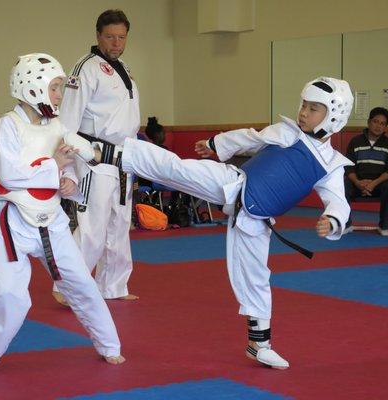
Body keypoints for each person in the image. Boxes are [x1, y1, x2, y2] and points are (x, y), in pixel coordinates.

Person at [68, 76, 354, 370]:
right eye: (304, 105)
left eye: (314, 108)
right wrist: (215, 143)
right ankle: (111, 152)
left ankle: (260, 344)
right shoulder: (287, 132)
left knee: (257, 277)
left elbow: (338, 200)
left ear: (334, 116)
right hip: (232, 182)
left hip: (256, 219)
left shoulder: (332, 165)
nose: (304, 112)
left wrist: (332, 220)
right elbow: (250, 138)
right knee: (176, 169)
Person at [0, 53, 124, 375]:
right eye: (53, 88)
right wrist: (56, 165)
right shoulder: (7, 127)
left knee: (81, 283)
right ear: (31, 87)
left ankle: (109, 345)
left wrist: (69, 179)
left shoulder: (57, 125)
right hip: (10, 220)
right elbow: (8, 175)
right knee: (9, 293)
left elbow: (76, 157)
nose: (58, 95)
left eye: (58, 88)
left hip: (50, 217)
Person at [56, 9, 140, 301]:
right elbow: (66, 122)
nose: (116, 43)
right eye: (110, 37)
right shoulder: (85, 68)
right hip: (94, 154)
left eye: (121, 37)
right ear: (98, 36)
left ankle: (113, 286)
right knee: (93, 226)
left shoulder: (124, 68)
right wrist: (66, 167)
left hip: (124, 156)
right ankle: (68, 287)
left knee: (119, 224)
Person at [344, 107, 388, 236]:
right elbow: (348, 167)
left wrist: (373, 183)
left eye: (382, 124)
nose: (378, 126)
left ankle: (383, 226)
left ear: (386, 127)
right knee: (342, 185)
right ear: (369, 122)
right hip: (358, 183)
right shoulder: (355, 141)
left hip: (380, 184)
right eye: (375, 121)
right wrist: (358, 182)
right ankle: (347, 224)